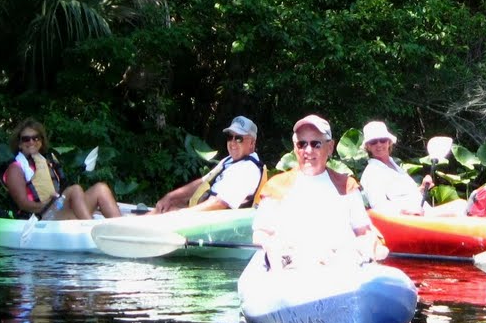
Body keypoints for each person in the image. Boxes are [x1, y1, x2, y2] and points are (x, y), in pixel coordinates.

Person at [252, 114, 380, 268]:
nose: (308, 150)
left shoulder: (347, 186)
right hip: (292, 268)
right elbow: (260, 235)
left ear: (330, 147)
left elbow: (364, 232)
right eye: (301, 144)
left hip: (343, 267)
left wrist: (370, 245)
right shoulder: (276, 187)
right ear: (295, 148)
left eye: (316, 144)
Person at [2, 120, 123, 221]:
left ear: (41, 141)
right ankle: (89, 228)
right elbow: (23, 204)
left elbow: (62, 192)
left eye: (36, 138)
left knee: (100, 188)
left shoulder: (47, 161)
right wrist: (46, 205)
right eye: (26, 139)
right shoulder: (15, 168)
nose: (32, 142)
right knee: (75, 189)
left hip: (59, 210)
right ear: (19, 144)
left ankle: (121, 229)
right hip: (40, 216)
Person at [151, 116, 265, 213]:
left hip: (216, 227)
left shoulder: (248, 170)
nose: (233, 142)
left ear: (252, 143)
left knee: (167, 211)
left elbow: (219, 204)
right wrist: (170, 197)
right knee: (167, 205)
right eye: (230, 137)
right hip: (203, 215)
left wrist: (182, 214)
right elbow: (203, 181)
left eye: (239, 138)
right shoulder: (229, 161)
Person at [358, 120, 466, 216]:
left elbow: (408, 196)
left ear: (388, 142)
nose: (378, 145)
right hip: (410, 222)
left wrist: (423, 189)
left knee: (462, 205)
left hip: (423, 214)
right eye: (373, 142)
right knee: (461, 207)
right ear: (368, 146)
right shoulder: (371, 173)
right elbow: (379, 207)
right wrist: (405, 210)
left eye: (382, 140)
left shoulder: (395, 167)